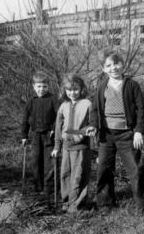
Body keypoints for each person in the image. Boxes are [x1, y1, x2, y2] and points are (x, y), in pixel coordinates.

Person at [86, 49, 144, 214]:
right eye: (108, 65)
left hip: (127, 134)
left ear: (122, 64)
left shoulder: (131, 85)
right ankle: (105, 204)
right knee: (103, 168)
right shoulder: (102, 86)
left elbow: (141, 109)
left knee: (136, 168)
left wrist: (138, 131)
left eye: (116, 63)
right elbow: (95, 109)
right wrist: (94, 125)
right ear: (103, 69)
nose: (113, 68)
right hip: (106, 135)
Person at [51, 73, 92, 213]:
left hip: (81, 148)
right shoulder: (64, 105)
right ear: (65, 90)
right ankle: (66, 202)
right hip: (66, 148)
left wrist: (76, 135)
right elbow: (58, 128)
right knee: (65, 175)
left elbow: (92, 126)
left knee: (78, 177)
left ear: (81, 89)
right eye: (69, 90)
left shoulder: (87, 104)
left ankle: (77, 206)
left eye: (75, 89)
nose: (72, 93)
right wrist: (57, 146)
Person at [21, 71, 57, 196]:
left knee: (49, 162)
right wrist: (24, 136)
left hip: (49, 135)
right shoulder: (30, 101)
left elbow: (59, 117)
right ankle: (37, 186)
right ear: (34, 87)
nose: (42, 89)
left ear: (48, 86)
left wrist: (54, 128)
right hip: (36, 135)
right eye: (39, 86)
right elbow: (25, 119)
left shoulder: (53, 99)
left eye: (44, 86)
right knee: (35, 161)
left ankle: (49, 188)